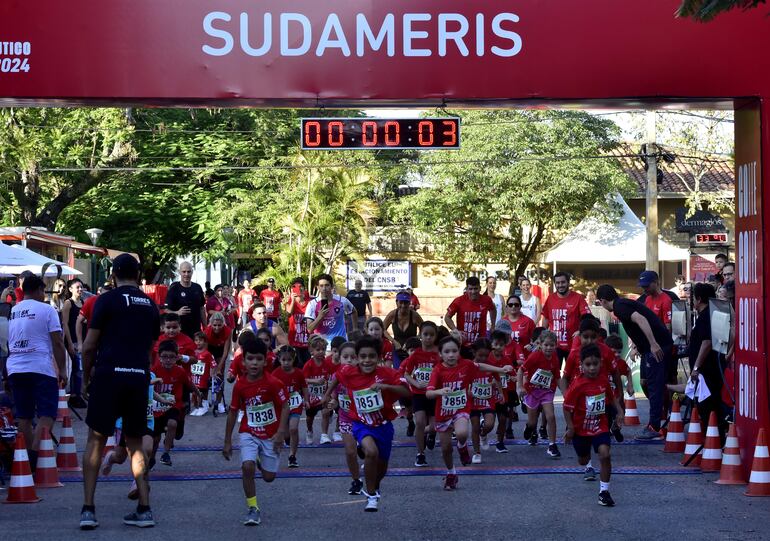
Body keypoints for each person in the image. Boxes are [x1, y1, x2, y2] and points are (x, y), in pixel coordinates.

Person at [80, 253, 161, 530]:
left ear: (113, 276)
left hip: (108, 374)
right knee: (135, 443)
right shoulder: (150, 305)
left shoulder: (106, 300)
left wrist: (85, 378)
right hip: (138, 376)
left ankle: (88, 509)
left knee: (96, 440)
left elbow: (89, 345)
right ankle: (145, 509)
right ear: (138, 276)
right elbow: (151, 347)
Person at [323, 336, 410, 512]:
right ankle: (371, 496)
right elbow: (337, 378)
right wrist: (327, 394)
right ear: (357, 357)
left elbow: (406, 392)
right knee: (371, 452)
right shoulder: (349, 372)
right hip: (361, 423)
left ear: (378, 358)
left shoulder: (388, 374)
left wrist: (385, 387)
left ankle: (373, 486)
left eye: (371, 356)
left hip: (384, 425)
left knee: (382, 468)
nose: (367, 360)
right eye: (363, 356)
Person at [426, 336, 512, 490]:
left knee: (462, 433)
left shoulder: (466, 365)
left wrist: (501, 369)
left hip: (460, 409)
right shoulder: (438, 370)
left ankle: (462, 445)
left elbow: (481, 367)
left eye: (454, 351)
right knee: (446, 448)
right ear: (441, 354)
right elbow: (429, 394)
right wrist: (440, 391)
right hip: (443, 412)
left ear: (459, 351)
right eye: (447, 352)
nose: (451, 355)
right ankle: (451, 473)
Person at [223, 337, 289, 526]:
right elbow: (233, 412)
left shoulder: (273, 383)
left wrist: (281, 432)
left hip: (271, 435)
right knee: (247, 467)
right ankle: (253, 508)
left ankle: (260, 459)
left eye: (258, 359)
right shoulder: (240, 385)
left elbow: (285, 406)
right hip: (249, 432)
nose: (254, 363)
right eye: (250, 359)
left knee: (269, 478)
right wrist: (227, 441)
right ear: (243, 361)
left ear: (266, 361)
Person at [4, 274, 67, 471]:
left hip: (15, 366)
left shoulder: (14, 310)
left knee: (24, 416)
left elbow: (9, 340)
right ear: (40, 290)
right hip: (40, 367)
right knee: (47, 414)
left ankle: (25, 461)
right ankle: (33, 456)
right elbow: (57, 342)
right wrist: (63, 369)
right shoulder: (47, 309)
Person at [596, 284, 674, 440]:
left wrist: (652, 343)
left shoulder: (619, 307)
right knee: (647, 382)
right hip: (650, 348)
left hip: (658, 346)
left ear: (603, 301)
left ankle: (654, 426)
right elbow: (638, 326)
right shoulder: (622, 304)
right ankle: (662, 417)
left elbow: (641, 319)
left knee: (654, 385)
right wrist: (639, 347)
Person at [563, 344, 624, 507]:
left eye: (595, 364)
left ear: (601, 363)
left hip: (599, 427)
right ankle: (586, 456)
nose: (592, 368)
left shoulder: (603, 381)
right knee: (583, 460)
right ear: (581, 365)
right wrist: (570, 428)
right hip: (580, 430)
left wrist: (619, 412)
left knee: (605, 454)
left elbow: (611, 399)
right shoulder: (577, 385)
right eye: (588, 365)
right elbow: (567, 408)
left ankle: (604, 492)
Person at [323, 341, 364, 493]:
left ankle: (364, 448)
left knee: (368, 449)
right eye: (345, 357)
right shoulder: (336, 376)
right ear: (339, 359)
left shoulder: (364, 375)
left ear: (359, 359)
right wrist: (333, 403)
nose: (349, 360)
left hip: (364, 419)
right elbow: (334, 395)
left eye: (353, 357)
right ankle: (356, 480)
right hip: (346, 418)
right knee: (350, 451)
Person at [688, 283, 727, 443]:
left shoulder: (706, 317)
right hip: (709, 371)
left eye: (693, 298)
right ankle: (714, 442)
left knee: (708, 408)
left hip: (707, 372)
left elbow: (707, 342)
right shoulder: (710, 314)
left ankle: (714, 444)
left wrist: (696, 367)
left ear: (699, 299)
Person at [398, 321, 440, 467]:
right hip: (418, 394)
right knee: (420, 422)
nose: (428, 338)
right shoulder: (415, 355)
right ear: (420, 335)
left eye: (431, 335)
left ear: (435, 336)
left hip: (434, 395)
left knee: (434, 426)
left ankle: (430, 435)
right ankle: (420, 453)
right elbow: (407, 374)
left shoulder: (438, 355)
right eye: (425, 334)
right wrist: (416, 384)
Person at [518, 330, 562, 458]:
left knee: (551, 416)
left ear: (556, 346)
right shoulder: (535, 356)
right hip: (532, 391)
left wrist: (566, 393)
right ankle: (529, 428)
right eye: (546, 345)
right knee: (532, 422)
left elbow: (557, 377)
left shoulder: (555, 357)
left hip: (547, 391)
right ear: (541, 345)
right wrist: (520, 386)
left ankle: (552, 445)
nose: (549, 348)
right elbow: (521, 370)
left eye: (552, 345)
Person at [267, 346, 309, 468]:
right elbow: (271, 388)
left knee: (293, 429)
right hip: (281, 406)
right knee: (285, 433)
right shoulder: (275, 373)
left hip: (295, 404)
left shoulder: (298, 373)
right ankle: (287, 440)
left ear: (293, 359)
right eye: (283, 360)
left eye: (289, 360)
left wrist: (306, 400)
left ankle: (292, 456)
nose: (286, 363)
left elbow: (304, 387)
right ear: (279, 359)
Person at [541, 272, 590, 365]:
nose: (560, 285)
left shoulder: (578, 298)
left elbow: (587, 317)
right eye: (557, 283)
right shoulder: (550, 298)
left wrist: (581, 330)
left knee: (572, 375)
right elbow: (546, 318)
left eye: (563, 282)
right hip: (554, 345)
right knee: (552, 374)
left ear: (568, 283)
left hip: (573, 345)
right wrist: (543, 336)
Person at [469, 338, 503, 464]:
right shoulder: (469, 366)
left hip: (488, 400)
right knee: (475, 427)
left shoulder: (490, 366)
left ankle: (484, 434)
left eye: (486, 355)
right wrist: (467, 391)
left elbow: (498, 379)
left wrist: (500, 393)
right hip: (473, 401)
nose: (483, 358)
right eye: (480, 355)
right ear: (474, 352)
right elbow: (463, 381)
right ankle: (477, 452)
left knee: (489, 424)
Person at [444, 276, 496, 354]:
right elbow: (447, 317)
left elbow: (493, 309)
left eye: (475, 288)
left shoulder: (486, 300)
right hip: (463, 343)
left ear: (480, 288)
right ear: (467, 289)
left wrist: (493, 325)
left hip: (480, 343)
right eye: (470, 289)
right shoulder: (459, 301)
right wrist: (456, 331)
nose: (473, 291)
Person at [305, 273, 357, 343]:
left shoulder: (342, 300)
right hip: (322, 347)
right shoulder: (312, 304)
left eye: (327, 285)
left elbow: (353, 311)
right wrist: (320, 317)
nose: (324, 288)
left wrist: (355, 328)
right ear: (318, 287)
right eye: (321, 286)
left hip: (340, 343)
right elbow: (309, 329)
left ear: (332, 286)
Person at [302, 334, 335, 444]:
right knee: (309, 418)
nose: (321, 352)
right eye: (318, 350)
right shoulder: (309, 365)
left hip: (324, 395)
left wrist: (330, 393)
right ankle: (309, 430)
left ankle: (324, 435)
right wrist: (314, 381)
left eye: (323, 349)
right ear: (312, 351)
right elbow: (303, 380)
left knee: (325, 412)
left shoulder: (327, 364)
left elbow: (330, 379)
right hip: (311, 396)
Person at [165, 261, 207, 340]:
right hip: (179, 331)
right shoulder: (174, 288)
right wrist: (177, 312)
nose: (186, 274)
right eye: (184, 272)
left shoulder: (197, 288)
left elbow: (202, 308)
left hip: (196, 331)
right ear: (180, 272)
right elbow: (166, 310)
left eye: (189, 271)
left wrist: (205, 326)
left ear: (192, 272)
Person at [61, 278, 86, 407]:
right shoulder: (68, 303)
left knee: (80, 368)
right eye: (78, 287)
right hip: (73, 340)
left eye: (81, 287)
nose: (80, 289)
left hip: (82, 340)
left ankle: (78, 394)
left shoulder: (83, 302)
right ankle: (74, 395)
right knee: (77, 367)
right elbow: (65, 323)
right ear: (70, 289)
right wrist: (69, 343)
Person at [382, 290, 423, 358]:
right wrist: (393, 341)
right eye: (401, 302)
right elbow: (383, 329)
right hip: (397, 348)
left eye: (406, 302)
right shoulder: (392, 314)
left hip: (412, 350)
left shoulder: (414, 315)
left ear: (409, 303)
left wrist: (415, 339)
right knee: (397, 368)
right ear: (396, 302)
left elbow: (424, 329)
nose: (403, 305)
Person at [189, 332, 217, 416]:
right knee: (194, 392)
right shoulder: (193, 353)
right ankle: (198, 407)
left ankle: (203, 407)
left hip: (203, 378)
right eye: (196, 340)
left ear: (205, 342)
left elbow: (213, 365)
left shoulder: (207, 354)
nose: (198, 342)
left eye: (200, 340)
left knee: (202, 392)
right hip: (194, 377)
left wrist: (211, 375)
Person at [285, 278, 311, 366]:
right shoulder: (289, 303)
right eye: (295, 287)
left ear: (304, 288)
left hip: (308, 342)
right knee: (298, 365)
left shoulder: (310, 303)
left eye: (301, 287)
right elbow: (288, 314)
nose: (298, 289)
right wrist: (293, 300)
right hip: (294, 341)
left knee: (308, 365)